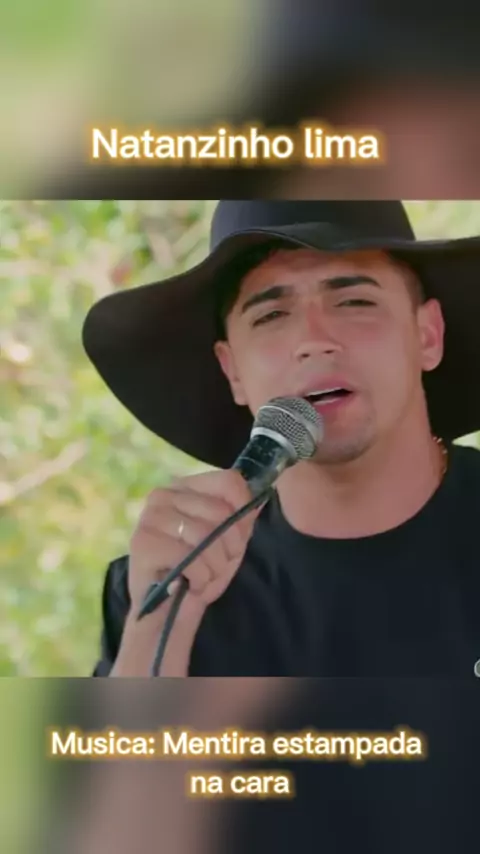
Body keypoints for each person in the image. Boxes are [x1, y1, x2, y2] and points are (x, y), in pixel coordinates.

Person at [82, 200, 480, 678]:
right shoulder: (170, 579)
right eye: (271, 315)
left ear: (428, 335)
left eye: (353, 301)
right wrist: (161, 627)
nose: (313, 339)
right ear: (232, 370)